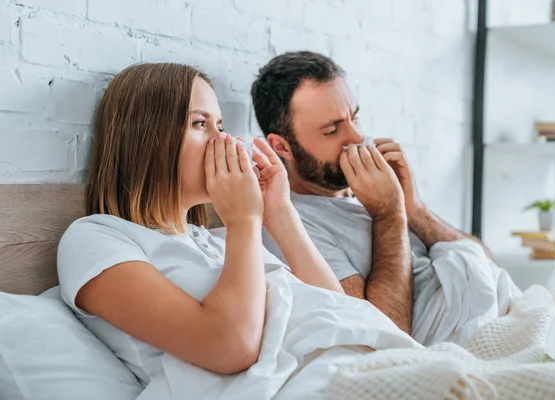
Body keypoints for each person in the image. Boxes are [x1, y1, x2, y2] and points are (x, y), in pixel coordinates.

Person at [57, 62, 343, 385]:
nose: (223, 141)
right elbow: (231, 346)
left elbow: (342, 312)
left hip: (344, 367)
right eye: (199, 123)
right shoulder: (95, 239)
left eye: (220, 126)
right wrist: (244, 221)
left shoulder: (219, 240)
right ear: (146, 138)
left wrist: (280, 214)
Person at [251, 51, 491, 334]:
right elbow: (382, 333)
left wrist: (413, 208)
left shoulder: (373, 192)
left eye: (354, 118)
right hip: (456, 337)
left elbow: (485, 262)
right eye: (331, 130)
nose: (355, 138)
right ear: (282, 147)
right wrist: (388, 213)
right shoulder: (294, 224)